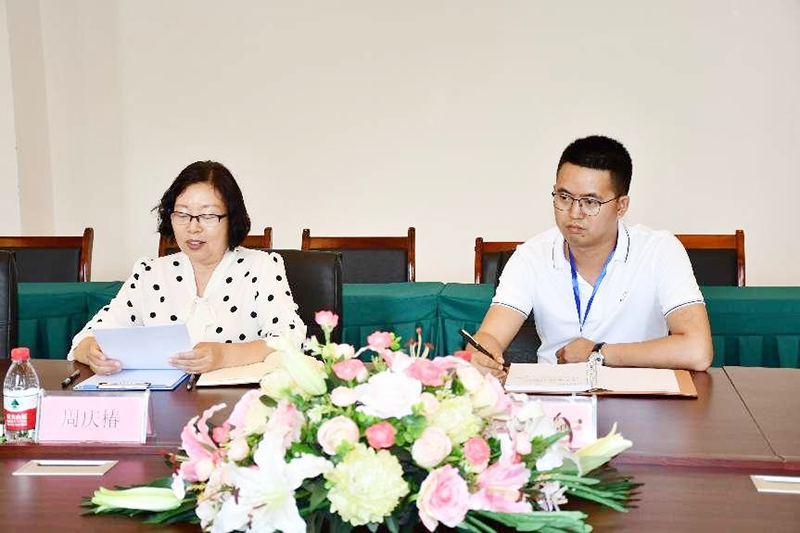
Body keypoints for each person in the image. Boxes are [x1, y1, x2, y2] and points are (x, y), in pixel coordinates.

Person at [469, 135, 713, 378]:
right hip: (553, 395)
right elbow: (489, 337)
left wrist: (598, 353)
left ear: (621, 206)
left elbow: (697, 351)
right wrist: (481, 356)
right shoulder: (530, 257)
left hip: (640, 394)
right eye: (564, 197)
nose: (575, 213)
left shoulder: (659, 251)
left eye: (590, 202)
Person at [70, 161, 306, 375]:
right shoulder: (150, 273)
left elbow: (291, 339)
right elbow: (88, 337)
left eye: (208, 215)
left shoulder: (261, 268)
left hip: (236, 401)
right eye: (182, 214)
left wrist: (224, 356)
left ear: (231, 219)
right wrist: (92, 352)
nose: (193, 228)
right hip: (163, 402)